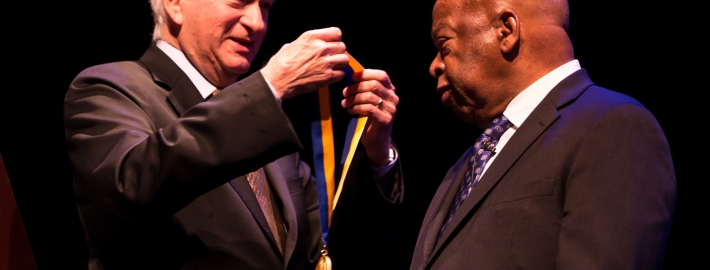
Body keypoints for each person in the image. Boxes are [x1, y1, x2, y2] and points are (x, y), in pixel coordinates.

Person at [63, 0, 402, 269]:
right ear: (175, 3)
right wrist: (271, 85)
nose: (257, 23)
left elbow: (331, 254)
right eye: (239, 1)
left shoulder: (267, 130)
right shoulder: (108, 88)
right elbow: (134, 182)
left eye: (265, 6)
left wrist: (375, 151)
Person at [410, 0, 676, 269]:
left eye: (444, 45)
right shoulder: (469, 161)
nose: (434, 66)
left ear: (506, 30)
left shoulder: (614, 126)